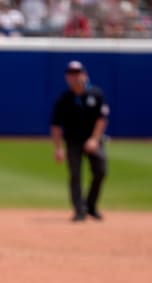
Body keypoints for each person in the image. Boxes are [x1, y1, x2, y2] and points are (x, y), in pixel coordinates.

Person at [50, 60, 109, 221]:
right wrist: (58, 148)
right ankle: (79, 210)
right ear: (67, 77)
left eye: (78, 73)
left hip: (93, 139)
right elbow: (55, 125)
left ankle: (91, 205)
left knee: (101, 171)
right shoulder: (64, 98)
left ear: (85, 75)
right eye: (71, 74)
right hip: (73, 141)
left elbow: (102, 119)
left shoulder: (96, 94)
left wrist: (95, 139)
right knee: (75, 174)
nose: (75, 77)